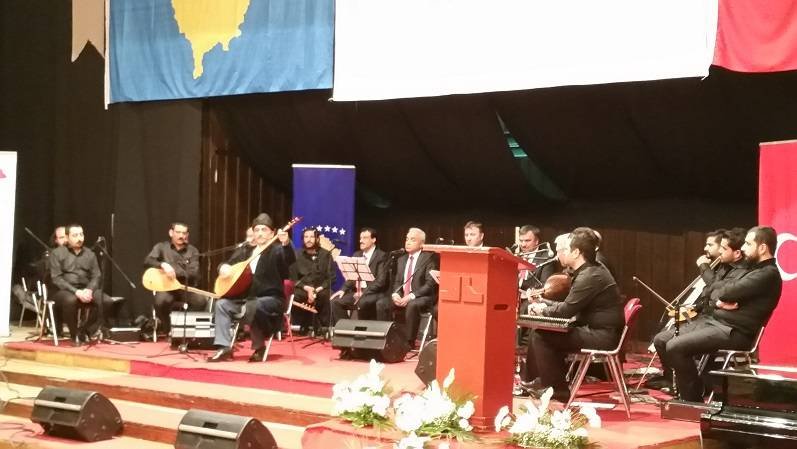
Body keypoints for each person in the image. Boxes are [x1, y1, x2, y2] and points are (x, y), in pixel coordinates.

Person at [653, 226, 782, 401]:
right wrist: (721, 301)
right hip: (717, 322)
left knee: (675, 347)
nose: (743, 248)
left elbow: (725, 292)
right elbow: (716, 291)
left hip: (735, 332)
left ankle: (693, 399)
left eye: (748, 244)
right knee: (662, 340)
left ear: (762, 248)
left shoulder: (768, 274)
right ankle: (687, 389)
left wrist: (721, 298)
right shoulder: (753, 269)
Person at [524, 227, 624, 401]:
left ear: (576, 252)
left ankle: (557, 390)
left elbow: (566, 311)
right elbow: (569, 306)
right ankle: (543, 382)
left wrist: (541, 309)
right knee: (544, 332)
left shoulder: (590, 276)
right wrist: (544, 303)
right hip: (595, 329)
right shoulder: (591, 270)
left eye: (567, 248)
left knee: (541, 335)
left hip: (601, 335)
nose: (562, 253)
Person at [208, 213, 294, 362]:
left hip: (271, 300)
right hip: (246, 299)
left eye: (264, 230)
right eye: (257, 230)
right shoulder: (246, 251)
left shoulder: (276, 251)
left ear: (272, 233)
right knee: (222, 304)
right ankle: (224, 347)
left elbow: (289, 258)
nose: (260, 233)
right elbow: (227, 264)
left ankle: (259, 347)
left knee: (253, 305)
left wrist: (286, 243)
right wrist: (222, 268)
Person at [49, 224, 114, 346]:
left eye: (81, 234)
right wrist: (76, 291)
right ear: (67, 237)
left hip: (86, 288)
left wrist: (89, 290)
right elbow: (57, 278)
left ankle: (85, 331)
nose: (79, 238)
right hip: (64, 291)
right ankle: (74, 335)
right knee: (71, 300)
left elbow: (96, 276)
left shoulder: (90, 254)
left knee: (107, 301)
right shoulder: (57, 253)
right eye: (75, 235)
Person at [143, 222, 205, 334]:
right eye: (178, 232)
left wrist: (175, 271)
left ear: (187, 235)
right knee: (160, 302)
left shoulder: (193, 251)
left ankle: (186, 330)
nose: (181, 236)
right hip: (167, 287)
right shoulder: (161, 247)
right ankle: (168, 329)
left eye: (184, 233)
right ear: (171, 233)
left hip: (184, 287)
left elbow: (194, 273)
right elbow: (148, 261)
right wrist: (163, 265)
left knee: (201, 301)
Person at [384, 228, 439, 349]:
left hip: (423, 297)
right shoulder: (401, 259)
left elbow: (430, 284)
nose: (408, 242)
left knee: (412, 305)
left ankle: (409, 342)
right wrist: (396, 294)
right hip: (404, 295)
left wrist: (411, 296)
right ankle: (386, 339)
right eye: (407, 239)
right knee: (382, 303)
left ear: (421, 243)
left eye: (412, 240)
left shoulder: (428, 258)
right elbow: (398, 282)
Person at [330, 227, 389, 325]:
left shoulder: (382, 256)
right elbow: (352, 277)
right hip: (357, 292)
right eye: (360, 238)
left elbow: (381, 282)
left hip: (373, 293)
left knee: (362, 302)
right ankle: (346, 329)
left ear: (373, 240)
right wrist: (343, 289)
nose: (361, 241)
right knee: (335, 302)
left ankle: (362, 331)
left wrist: (364, 293)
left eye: (365, 238)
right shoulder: (357, 254)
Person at [290, 228, 336, 334]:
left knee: (326, 296)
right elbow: (292, 277)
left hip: (320, 289)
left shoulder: (326, 255)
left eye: (311, 237)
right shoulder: (296, 254)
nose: (309, 239)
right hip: (303, 288)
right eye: (306, 237)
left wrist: (317, 290)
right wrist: (307, 288)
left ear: (317, 239)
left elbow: (331, 278)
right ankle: (300, 326)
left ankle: (324, 329)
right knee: (294, 295)